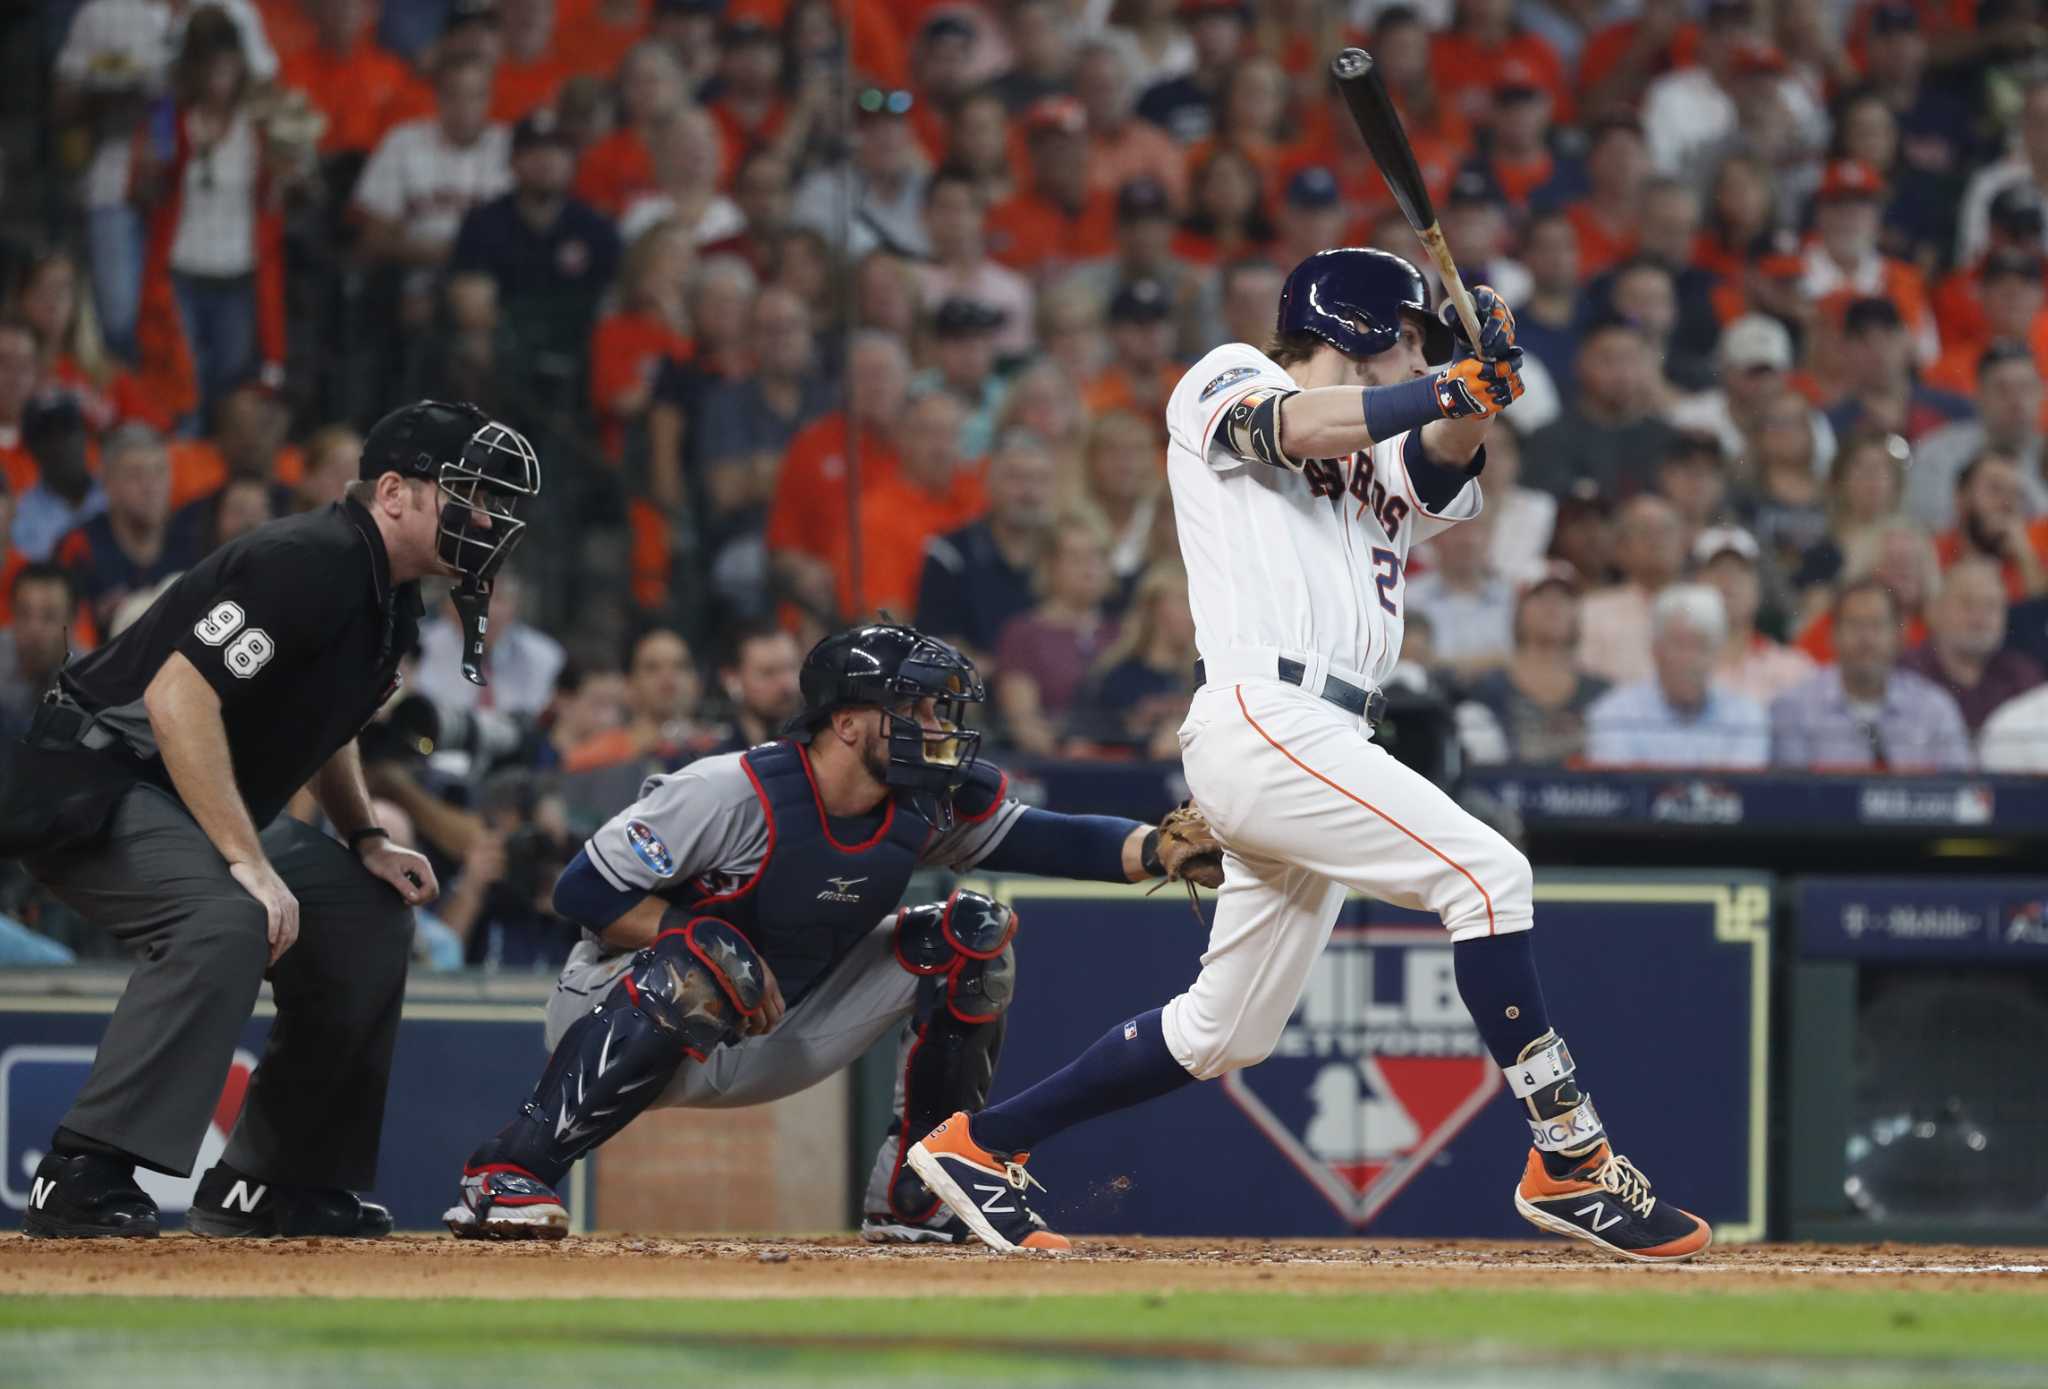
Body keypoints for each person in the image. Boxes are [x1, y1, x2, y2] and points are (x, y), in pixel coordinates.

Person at [907, 248, 1713, 1262]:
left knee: (1223, 1031)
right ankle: (1569, 1158)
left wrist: (1481, 389)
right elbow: (1284, 429)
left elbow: (1434, 464)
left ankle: (979, 1146)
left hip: (1324, 732)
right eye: (1408, 337)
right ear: (1364, 329)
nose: (1415, 357)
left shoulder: (1383, 441)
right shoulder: (1229, 373)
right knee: (1488, 877)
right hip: (1265, 713)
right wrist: (1445, 381)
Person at [442, 622, 1197, 1243]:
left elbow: (1049, 840)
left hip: (784, 1024)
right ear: (846, 722)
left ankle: (919, 1190)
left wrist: (1162, 848)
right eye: (918, 709)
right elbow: (582, 888)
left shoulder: (921, 804)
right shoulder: (725, 790)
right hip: (624, 1004)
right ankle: (509, 1171)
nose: (938, 728)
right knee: (709, 950)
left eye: (940, 710)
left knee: (975, 933)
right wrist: (697, 935)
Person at [7, 399, 538, 1239]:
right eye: (466, 494)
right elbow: (177, 697)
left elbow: (326, 724)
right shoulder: (311, 558)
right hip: (93, 776)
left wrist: (364, 836)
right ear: (394, 491)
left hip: (180, 790)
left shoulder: (389, 595)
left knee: (365, 914)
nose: (485, 518)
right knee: (225, 915)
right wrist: (249, 863)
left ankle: (275, 1179)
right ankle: (81, 1171)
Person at [1769, 578, 1971, 770]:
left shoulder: (1934, 709)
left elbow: (1961, 791)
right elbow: (1790, 798)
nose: (1866, 638)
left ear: (1899, 637)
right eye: (1855, 624)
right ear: (1832, 635)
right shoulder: (1795, 709)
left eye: (1877, 625)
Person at [1583, 585, 1770, 769]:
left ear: (1716, 654)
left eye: (1700, 645)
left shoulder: (1747, 718)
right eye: (1679, 644)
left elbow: (1740, 794)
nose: (1689, 659)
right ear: (1656, 650)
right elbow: (1621, 791)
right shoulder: (1614, 715)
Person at [914, 430, 1058, 666]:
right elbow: (938, 642)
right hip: (977, 691)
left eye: (1040, 479)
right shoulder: (950, 554)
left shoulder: (1065, 551)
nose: (1029, 492)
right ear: (989, 482)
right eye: (1016, 478)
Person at [993, 508, 1120, 758]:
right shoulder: (1024, 634)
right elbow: (1023, 721)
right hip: (1056, 768)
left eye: (1098, 557)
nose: (1090, 569)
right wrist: (1064, 751)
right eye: (1076, 558)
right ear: (1050, 565)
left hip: (1126, 767)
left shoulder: (1124, 633)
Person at [55, 424, 199, 642]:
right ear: (108, 483)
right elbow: (65, 639)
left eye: (159, 471)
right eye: (136, 475)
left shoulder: (192, 542)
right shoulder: (80, 546)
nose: (151, 487)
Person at [1461, 564, 1608, 765]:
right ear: (1518, 610)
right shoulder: (1489, 688)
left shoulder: (1600, 693)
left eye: (1564, 598)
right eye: (1540, 597)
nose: (1553, 606)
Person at [1901, 559, 2046, 734]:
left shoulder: (2024, 675)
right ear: (1933, 611)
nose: (1980, 618)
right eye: (1967, 604)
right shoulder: (1905, 672)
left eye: (1991, 606)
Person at [1069, 561, 1197, 758]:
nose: (1192, 613)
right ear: (1153, 608)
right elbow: (1082, 747)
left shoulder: (1205, 677)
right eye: (1183, 601)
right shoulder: (1114, 677)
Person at [1576, 493, 1685, 687]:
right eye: (1645, 531)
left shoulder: (1704, 609)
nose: (1657, 540)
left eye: (1665, 531)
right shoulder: (1590, 611)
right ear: (1620, 549)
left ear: (1683, 546)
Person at [1406, 517, 1514, 680]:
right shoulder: (1409, 595)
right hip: (1429, 695)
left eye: (1476, 530)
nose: (1467, 540)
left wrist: (1439, 661)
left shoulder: (1509, 598)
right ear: (1436, 538)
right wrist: (1491, 661)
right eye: (1457, 530)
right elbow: (1410, 660)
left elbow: (1519, 659)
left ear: (1489, 538)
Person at [0, 564, 79, 736]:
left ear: (72, 621)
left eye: (49, 616)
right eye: (23, 614)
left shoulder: (90, 679)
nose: (33, 629)